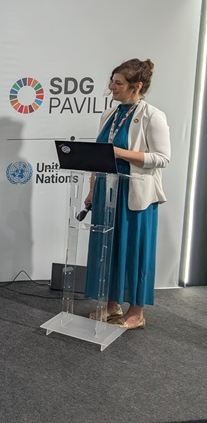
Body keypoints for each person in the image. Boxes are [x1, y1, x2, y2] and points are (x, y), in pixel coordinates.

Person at [84, 59, 170, 330]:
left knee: (135, 251)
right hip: (106, 193)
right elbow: (99, 155)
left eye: (118, 83)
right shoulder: (109, 114)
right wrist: (92, 189)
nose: (111, 87)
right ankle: (112, 306)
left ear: (137, 86)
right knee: (108, 250)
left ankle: (137, 312)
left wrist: (120, 153)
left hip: (135, 195)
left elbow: (162, 158)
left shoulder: (153, 115)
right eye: (112, 81)